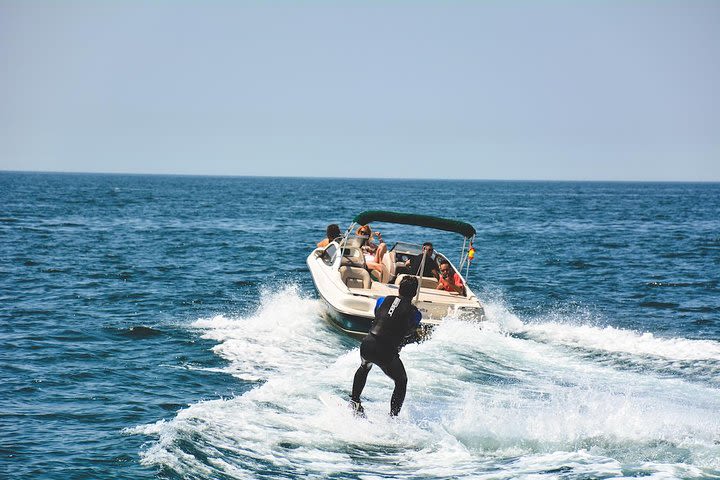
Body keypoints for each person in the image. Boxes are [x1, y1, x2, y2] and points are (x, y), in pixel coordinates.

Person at [349, 276, 422, 417]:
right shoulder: (415, 313)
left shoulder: (383, 299)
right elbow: (409, 331)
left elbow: (378, 314)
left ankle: (354, 401)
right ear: (414, 293)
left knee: (364, 367)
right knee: (401, 381)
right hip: (385, 351)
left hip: (367, 343)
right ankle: (393, 418)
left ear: (399, 289)